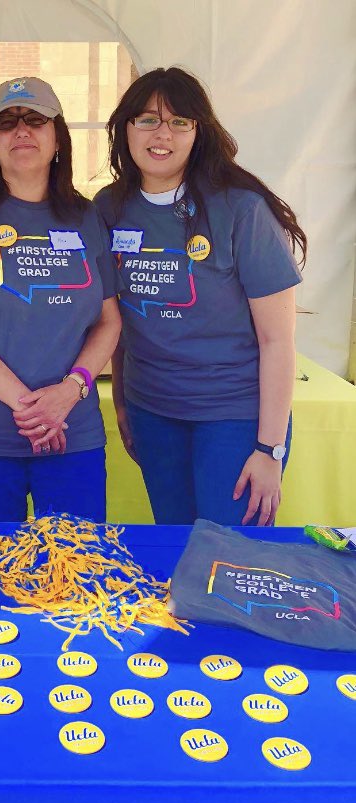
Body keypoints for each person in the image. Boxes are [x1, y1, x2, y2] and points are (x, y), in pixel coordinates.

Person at [94, 67, 305, 527]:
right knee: (176, 551)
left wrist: (270, 449)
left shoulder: (241, 210)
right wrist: (125, 406)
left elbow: (277, 341)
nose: (162, 134)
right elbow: (117, 321)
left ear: (198, 132)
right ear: (125, 128)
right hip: (154, 413)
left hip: (234, 417)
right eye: (148, 120)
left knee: (226, 561)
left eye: (179, 122)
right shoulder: (109, 208)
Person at [0, 77, 122, 522]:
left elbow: (109, 321)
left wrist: (69, 392)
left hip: (72, 431)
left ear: (58, 138)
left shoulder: (87, 217)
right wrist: (30, 406)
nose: (21, 131)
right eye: (6, 122)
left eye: (35, 119)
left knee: (78, 572)